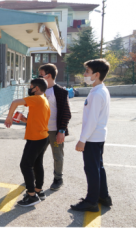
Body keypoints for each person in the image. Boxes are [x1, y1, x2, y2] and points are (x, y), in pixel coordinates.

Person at [71, 59, 112, 212]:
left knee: (92, 169)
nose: (84, 74)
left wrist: (82, 140)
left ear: (97, 74)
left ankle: (91, 201)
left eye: (87, 72)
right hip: (98, 136)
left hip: (92, 138)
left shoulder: (97, 93)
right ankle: (103, 196)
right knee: (98, 167)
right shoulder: (100, 90)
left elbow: (92, 121)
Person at [4, 78, 50, 207]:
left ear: (37, 88)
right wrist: (25, 119)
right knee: (37, 164)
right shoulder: (44, 99)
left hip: (36, 139)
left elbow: (14, 102)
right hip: (42, 137)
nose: (29, 89)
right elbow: (38, 119)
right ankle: (38, 191)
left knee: (25, 165)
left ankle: (31, 196)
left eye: (31, 87)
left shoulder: (37, 98)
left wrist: (9, 117)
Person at [38, 63, 71, 190]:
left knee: (57, 156)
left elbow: (66, 113)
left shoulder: (60, 91)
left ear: (49, 75)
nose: (39, 77)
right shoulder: (39, 90)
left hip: (54, 131)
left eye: (41, 74)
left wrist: (61, 130)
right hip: (41, 130)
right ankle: (35, 177)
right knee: (36, 155)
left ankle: (58, 178)